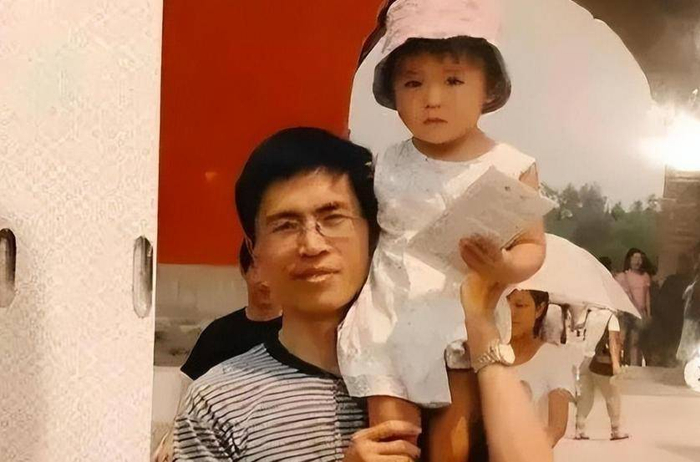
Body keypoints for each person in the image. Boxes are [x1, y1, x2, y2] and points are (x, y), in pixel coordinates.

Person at [172, 127, 552, 461]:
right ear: (254, 250)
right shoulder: (218, 404)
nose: (312, 244)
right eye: (285, 225)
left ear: (374, 232)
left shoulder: (457, 368)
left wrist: (480, 324)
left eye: (333, 218)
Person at [337, 1, 546, 458]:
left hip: (461, 320)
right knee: (392, 435)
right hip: (391, 316)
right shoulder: (387, 164)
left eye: (453, 80)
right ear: (392, 91)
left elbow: (533, 246)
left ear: (488, 87)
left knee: (454, 441)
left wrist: (504, 265)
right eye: (413, 83)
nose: (432, 98)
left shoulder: (510, 167)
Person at [152, 244, 282, 462]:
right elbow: (188, 388)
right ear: (243, 269)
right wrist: (172, 437)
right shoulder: (219, 332)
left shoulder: (299, 333)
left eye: (273, 269)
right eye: (256, 267)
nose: (265, 281)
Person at [508, 290, 577, 447]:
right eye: (505, 304)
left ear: (539, 309)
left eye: (520, 305)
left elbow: (556, 427)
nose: (511, 312)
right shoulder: (487, 354)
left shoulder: (553, 357)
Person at [575, 311, 629, 441]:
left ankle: (579, 428)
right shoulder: (611, 318)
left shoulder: (589, 314)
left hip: (583, 358)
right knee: (612, 395)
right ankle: (615, 429)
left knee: (585, 396)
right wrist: (615, 364)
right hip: (600, 362)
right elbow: (613, 341)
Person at [652, 254, 693, 366]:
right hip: (670, 318)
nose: (682, 267)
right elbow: (661, 299)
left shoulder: (690, 282)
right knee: (670, 342)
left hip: (681, 318)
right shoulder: (671, 280)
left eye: (684, 264)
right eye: (681, 264)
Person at [615, 248, 652, 366]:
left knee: (636, 341)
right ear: (629, 260)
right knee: (622, 339)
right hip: (626, 313)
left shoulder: (645, 276)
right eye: (635, 258)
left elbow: (647, 295)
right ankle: (619, 363)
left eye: (640, 258)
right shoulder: (622, 277)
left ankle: (634, 365)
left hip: (639, 313)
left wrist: (648, 313)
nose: (638, 261)